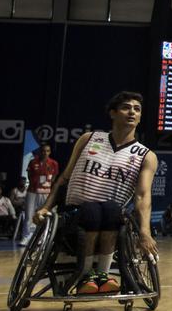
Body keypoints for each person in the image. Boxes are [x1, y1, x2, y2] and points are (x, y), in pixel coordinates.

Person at [32, 92, 158, 294]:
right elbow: (64, 179)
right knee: (92, 210)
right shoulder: (89, 139)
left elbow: (142, 196)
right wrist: (45, 207)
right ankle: (85, 275)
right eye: (126, 107)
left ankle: (101, 274)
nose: (132, 112)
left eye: (137, 109)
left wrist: (145, 232)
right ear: (113, 113)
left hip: (111, 217)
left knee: (110, 209)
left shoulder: (146, 155)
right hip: (74, 214)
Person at [22, 143, 58, 245]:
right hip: (32, 192)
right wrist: (35, 184)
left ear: (50, 152)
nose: (45, 153)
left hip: (46, 193)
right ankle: (26, 237)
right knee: (29, 214)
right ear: (40, 152)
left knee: (44, 214)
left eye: (47, 151)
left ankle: (42, 238)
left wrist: (47, 186)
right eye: (43, 151)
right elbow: (29, 175)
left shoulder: (54, 163)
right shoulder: (33, 162)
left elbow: (54, 177)